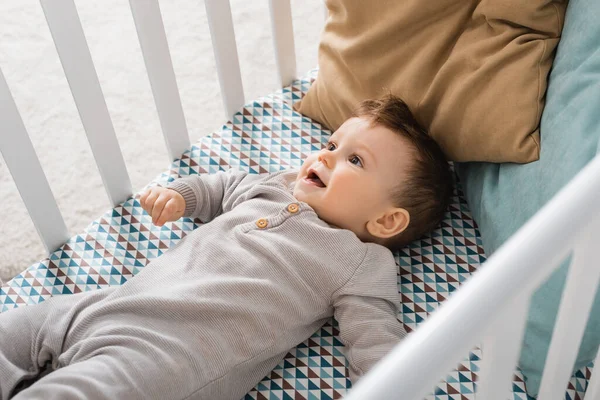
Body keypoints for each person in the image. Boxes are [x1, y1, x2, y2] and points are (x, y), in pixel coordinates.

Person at [0, 94, 453, 400]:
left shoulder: (359, 260)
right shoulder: (276, 186)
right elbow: (221, 187)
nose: (325, 156)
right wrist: (181, 196)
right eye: (332, 143)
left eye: (355, 160)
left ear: (387, 220)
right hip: (110, 304)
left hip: (168, 357)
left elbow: (375, 334)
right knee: (15, 329)